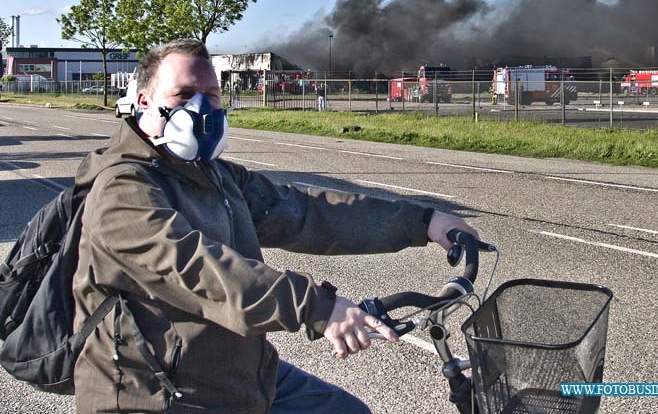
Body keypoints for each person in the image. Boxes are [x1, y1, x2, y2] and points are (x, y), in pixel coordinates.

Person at [71, 38, 478, 414]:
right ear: (144, 101)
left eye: (210, 95)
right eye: (183, 95)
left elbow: (303, 212)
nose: (201, 109)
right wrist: (317, 306)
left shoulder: (216, 176)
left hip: (240, 378)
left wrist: (423, 222)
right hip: (157, 392)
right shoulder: (121, 188)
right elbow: (197, 269)